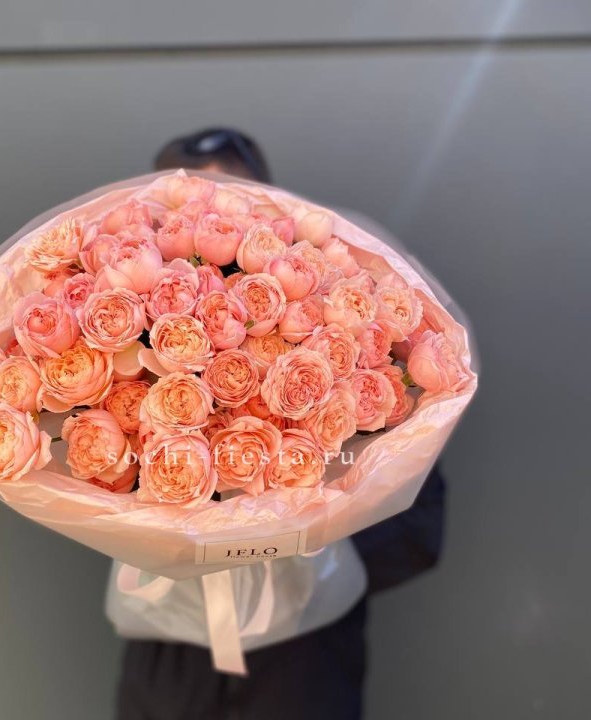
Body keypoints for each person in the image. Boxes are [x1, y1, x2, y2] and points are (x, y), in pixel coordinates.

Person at [114, 128, 447, 720]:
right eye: (183, 204)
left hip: (304, 651)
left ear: (273, 213)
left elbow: (417, 524)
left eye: (229, 201)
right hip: (170, 650)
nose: (208, 216)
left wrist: (296, 544)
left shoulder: (349, 342)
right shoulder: (128, 338)